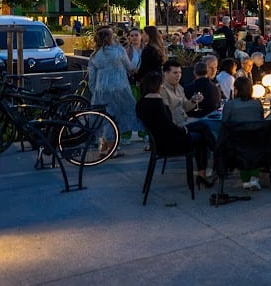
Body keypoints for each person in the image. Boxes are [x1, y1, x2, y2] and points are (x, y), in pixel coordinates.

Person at [136, 71, 216, 189]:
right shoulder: (158, 104)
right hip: (169, 142)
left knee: (202, 127)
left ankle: (208, 166)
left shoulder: (141, 103)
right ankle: (213, 160)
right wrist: (183, 130)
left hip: (160, 140)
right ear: (158, 86)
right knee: (201, 135)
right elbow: (168, 126)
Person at [88, 27, 137, 155]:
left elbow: (92, 77)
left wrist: (94, 91)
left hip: (102, 89)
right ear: (110, 38)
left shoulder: (94, 55)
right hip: (120, 87)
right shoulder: (118, 50)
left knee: (106, 117)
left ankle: (105, 146)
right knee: (118, 116)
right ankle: (112, 147)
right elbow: (129, 66)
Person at [222, 76, 264, 190]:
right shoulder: (257, 104)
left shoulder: (230, 105)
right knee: (251, 146)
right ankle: (254, 178)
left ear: (236, 89)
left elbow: (224, 123)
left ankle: (245, 180)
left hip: (236, 145)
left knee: (241, 144)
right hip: (256, 144)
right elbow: (260, 120)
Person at [160, 60, 202, 126]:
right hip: (176, 125)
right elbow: (165, 115)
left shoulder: (179, 87)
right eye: (175, 73)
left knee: (206, 123)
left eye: (180, 72)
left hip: (186, 120)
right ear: (166, 74)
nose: (178, 75)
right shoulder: (162, 90)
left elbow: (185, 107)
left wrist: (193, 101)